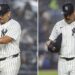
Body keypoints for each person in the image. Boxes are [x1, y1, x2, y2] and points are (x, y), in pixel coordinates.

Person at [47, 3, 75, 75]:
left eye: (68, 14)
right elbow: (50, 41)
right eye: (65, 14)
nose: (67, 16)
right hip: (62, 62)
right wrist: (50, 46)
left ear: (73, 12)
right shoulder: (58, 25)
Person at [0, 4, 21, 75]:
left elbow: (5, 40)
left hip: (10, 61)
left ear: (8, 13)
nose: (0, 16)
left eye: (2, 14)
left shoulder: (14, 24)